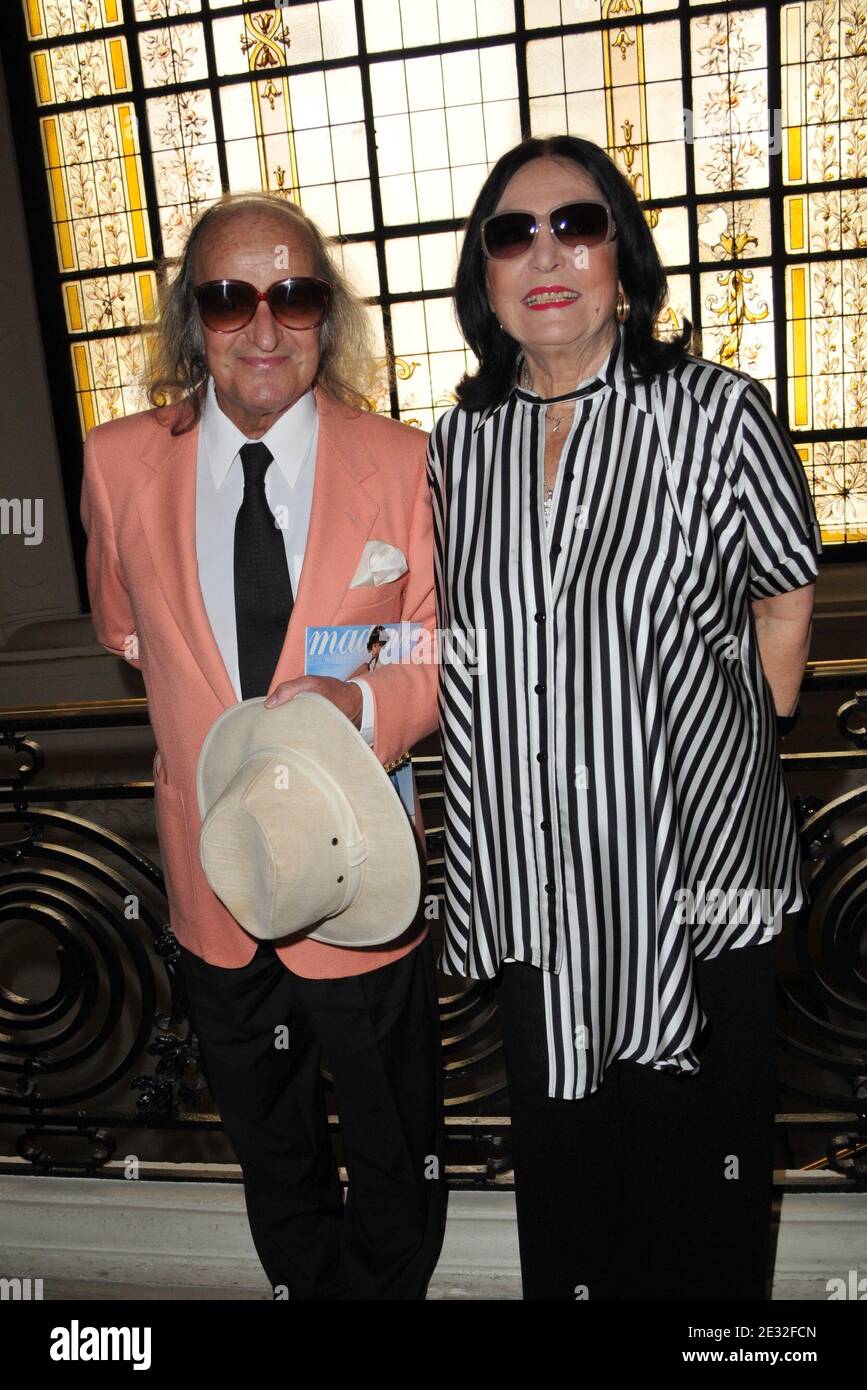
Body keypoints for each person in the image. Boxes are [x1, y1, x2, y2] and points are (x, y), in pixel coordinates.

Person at [426, 135, 822, 1301]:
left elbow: (784, 591)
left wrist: (743, 722)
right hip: (539, 896)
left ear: (624, 264)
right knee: (570, 1199)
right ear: (485, 277)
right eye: (513, 233)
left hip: (695, 885)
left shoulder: (715, 412)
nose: (545, 254)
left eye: (577, 226)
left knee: (702, 1197)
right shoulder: (460, 447)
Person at [80, 191, 446, 1299]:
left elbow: (435, 643)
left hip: (360, 875)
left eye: (293, 294)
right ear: (194, 319)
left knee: (394, 1143)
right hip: (215, 883)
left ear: (325, 316)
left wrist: (361, 706)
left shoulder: (404, 460)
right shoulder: (114, 463)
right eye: (231, 296)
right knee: (273, 1148)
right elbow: (125, 628)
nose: (264, 325)